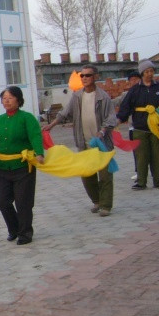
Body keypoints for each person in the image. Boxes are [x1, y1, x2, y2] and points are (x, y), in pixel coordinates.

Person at [0, 86, 44, 246]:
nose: (6, 100)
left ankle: (25, 233)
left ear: (18, 100)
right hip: (2, 168)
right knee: (1, 200)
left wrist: (39, 153)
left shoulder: (27, 118)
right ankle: (14, 228)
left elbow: (35, 135)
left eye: (10, 97)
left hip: (23, 167)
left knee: (23, 202)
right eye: (4, 98)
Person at [44, 65, 117, 217]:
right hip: (84, 143)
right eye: (82, 76)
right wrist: (51, 125)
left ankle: (106, 206)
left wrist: (102, 131)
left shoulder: (103, 97)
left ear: (95, 77)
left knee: (105, 176)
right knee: (87, 175)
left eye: (87, 75)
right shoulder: (77, 96)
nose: (84, 78)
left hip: (102, 144)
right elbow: (64, 113)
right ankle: (96, 200)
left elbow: (111, 118)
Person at [116, 60, 159, 190]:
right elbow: (126, 106)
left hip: (157, 128)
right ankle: (141, 182)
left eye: (151, 71)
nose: (149, 74)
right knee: (141, 156)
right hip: (140, 128)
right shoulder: (135, 90)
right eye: (147, 72)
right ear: (142, 73)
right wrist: (120, 119)